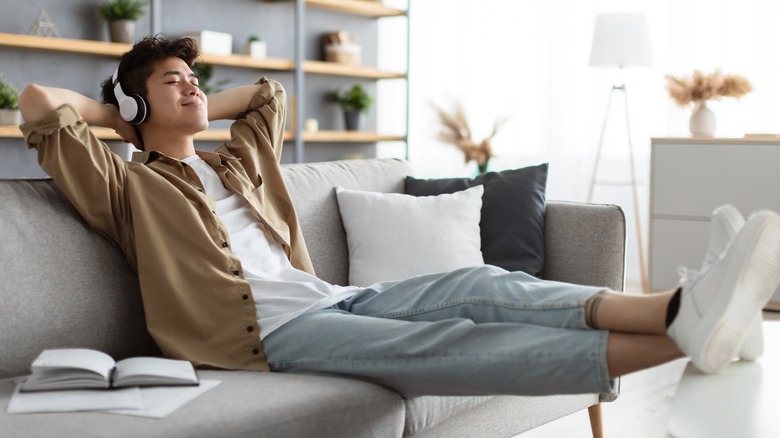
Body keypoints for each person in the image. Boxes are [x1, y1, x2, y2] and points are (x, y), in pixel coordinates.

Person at [18, 36, 780, 398]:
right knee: (448, 343)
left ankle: (686, 309)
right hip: (265, 338)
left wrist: (177, 95)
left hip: (331, 300)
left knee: (487, 283)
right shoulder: (128, 187)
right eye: (174, 82)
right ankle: (689, 338)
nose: (192, 90)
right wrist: (123, 112)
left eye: (194, 79)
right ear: (134, 105)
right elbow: (37, 105)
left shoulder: (233, 165)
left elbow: (264, 97)